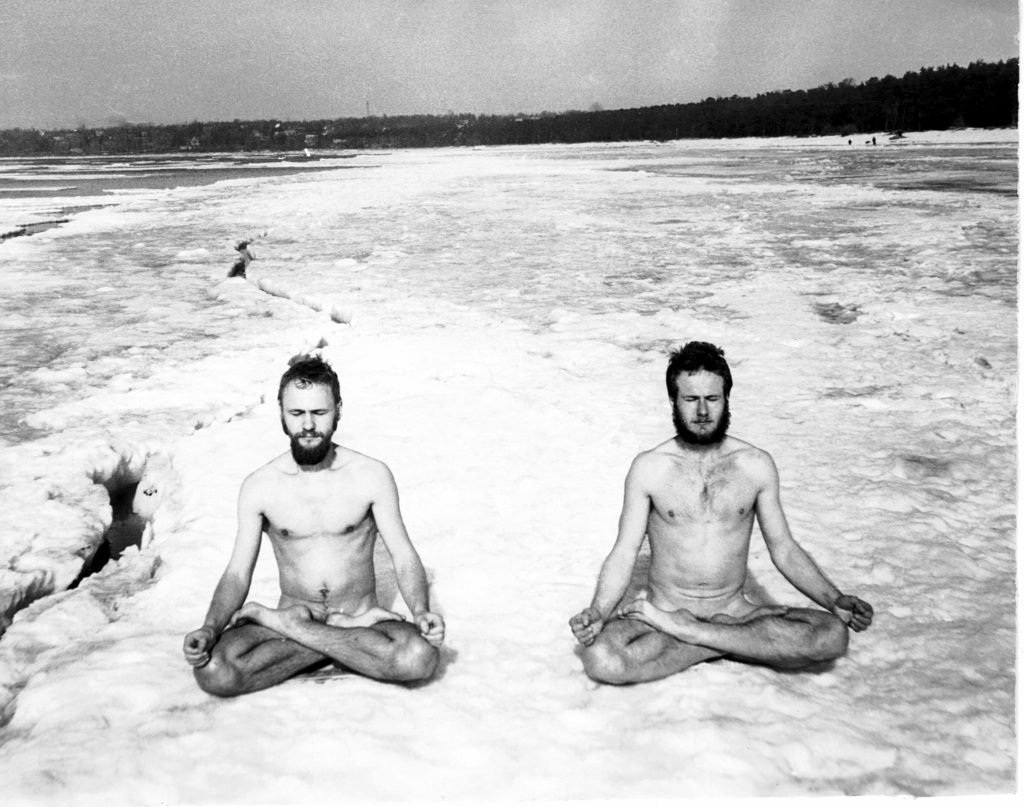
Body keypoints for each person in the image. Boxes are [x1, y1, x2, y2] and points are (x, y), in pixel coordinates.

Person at [569, 341, 872, 684]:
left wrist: (834, 600)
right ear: (673, 401)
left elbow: (784, 548)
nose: (702, 412)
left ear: (727, 399)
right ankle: (732, 642)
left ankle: (696, 636)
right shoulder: (649, 468)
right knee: (602, 659)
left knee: (832, 634)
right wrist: (598, 611)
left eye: (712, 399)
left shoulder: (755, 465)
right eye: (690, 399)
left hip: (733, 610)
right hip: (666, 611)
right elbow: (624, 552)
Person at [184, 355, 444, 696]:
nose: (308, 425)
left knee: (418, 658)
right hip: (324, 621)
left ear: (337, 410)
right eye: (297, 413)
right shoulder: (260, 486)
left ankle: (291, 625)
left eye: (319, 413)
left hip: (358, 618)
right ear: (281, 413)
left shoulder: (370, 475)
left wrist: (422, 611)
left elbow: (404, 556)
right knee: (215, 671)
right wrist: (210, 626)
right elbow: (236, 573)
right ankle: (320, 632)